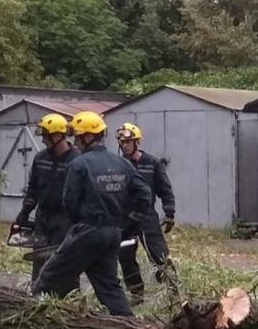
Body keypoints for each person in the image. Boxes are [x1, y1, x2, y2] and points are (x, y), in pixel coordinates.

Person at [32, 111, 150, 316]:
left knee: (48, 276)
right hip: (113, 232)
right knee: (108, 286)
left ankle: (29, 318)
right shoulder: (122, 163)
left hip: (88, 230)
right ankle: (129, 325)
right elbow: (144, 195)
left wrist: (79, 224)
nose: (75, 142)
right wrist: (130, 223)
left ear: (88, 137)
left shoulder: (78, 164)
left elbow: (69, 201)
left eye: (78, 137)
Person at [13, 113, 78, 284]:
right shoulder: (40, 158)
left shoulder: (77, 160)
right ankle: (38, 293)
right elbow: (33, 188)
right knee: (39, 258)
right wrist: (25, 212)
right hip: (43, 218)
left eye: (46, 136)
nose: (43, 141)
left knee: (63, 259)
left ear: (57, 136)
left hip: (66, 219)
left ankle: (69, 295)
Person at [114, 121, 175, 301]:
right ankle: (136, 293)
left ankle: (172, 289)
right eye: (122, 143)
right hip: (125, 218)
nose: (124, 146)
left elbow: (165, 189)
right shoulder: (118, 164)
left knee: (159, 254)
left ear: (136, 142)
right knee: (125, 256)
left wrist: (169, 213)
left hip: (147, 216)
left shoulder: (152, 163)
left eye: (128, 142)